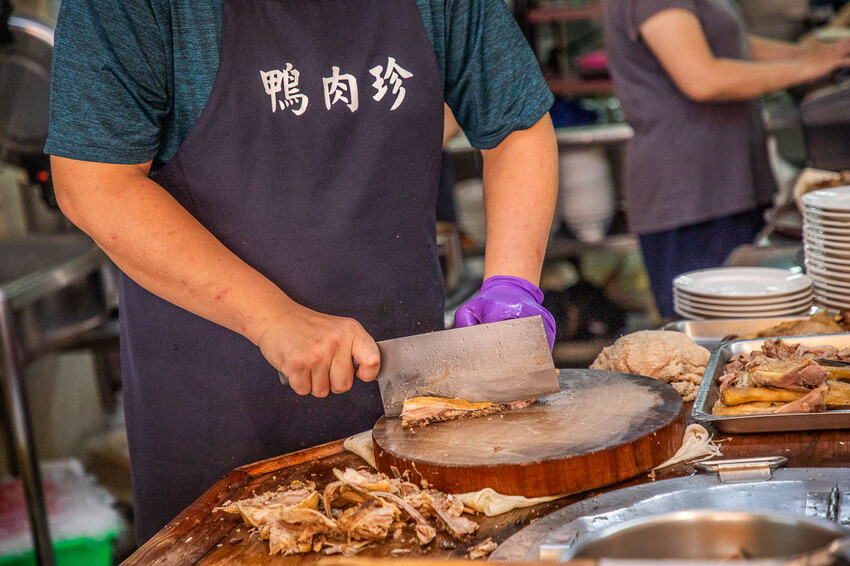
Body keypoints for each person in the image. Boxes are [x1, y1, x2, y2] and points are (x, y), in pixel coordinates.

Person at [46, 0, 558, 542]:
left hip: (408, 410)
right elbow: (93, 183)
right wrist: (271, 318)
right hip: (218, 416)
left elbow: (515, 128)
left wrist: (512, 285)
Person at [604, 0, 850, 319]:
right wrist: (807, 66)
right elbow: (702, 78)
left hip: (725, 186)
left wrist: (807, 54)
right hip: (692, 195)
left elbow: (727, 42)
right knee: (709, 341)